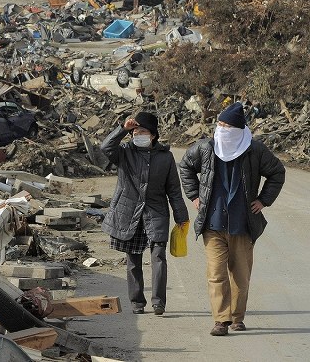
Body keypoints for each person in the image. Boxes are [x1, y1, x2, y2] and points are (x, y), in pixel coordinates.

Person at [179, 102, 285, 336]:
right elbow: (185, 166)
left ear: (238, 130)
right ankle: (220, 320)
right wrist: (195, 196)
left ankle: (237, 318)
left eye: (227, 126)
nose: (222, 129)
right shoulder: (206, 148)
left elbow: (277, 172)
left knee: (240, 276)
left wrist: (264, 200)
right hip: (213, 224)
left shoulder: (254, 150)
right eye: (220, 124)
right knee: (216, 274)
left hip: (242, 225)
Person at [101, 111, 189, 316]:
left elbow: (174, 190)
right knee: (133, 259)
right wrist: (122, 129)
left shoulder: (166, 157)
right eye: (134, 131)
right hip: (129, 210)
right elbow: (105, 147)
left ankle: (159, 302)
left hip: (156, 211)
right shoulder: (124, 152)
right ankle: (137, 302)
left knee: (159, 255)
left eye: (141, 131)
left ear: (153, 135)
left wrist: (181, 216)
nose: (137, 135)